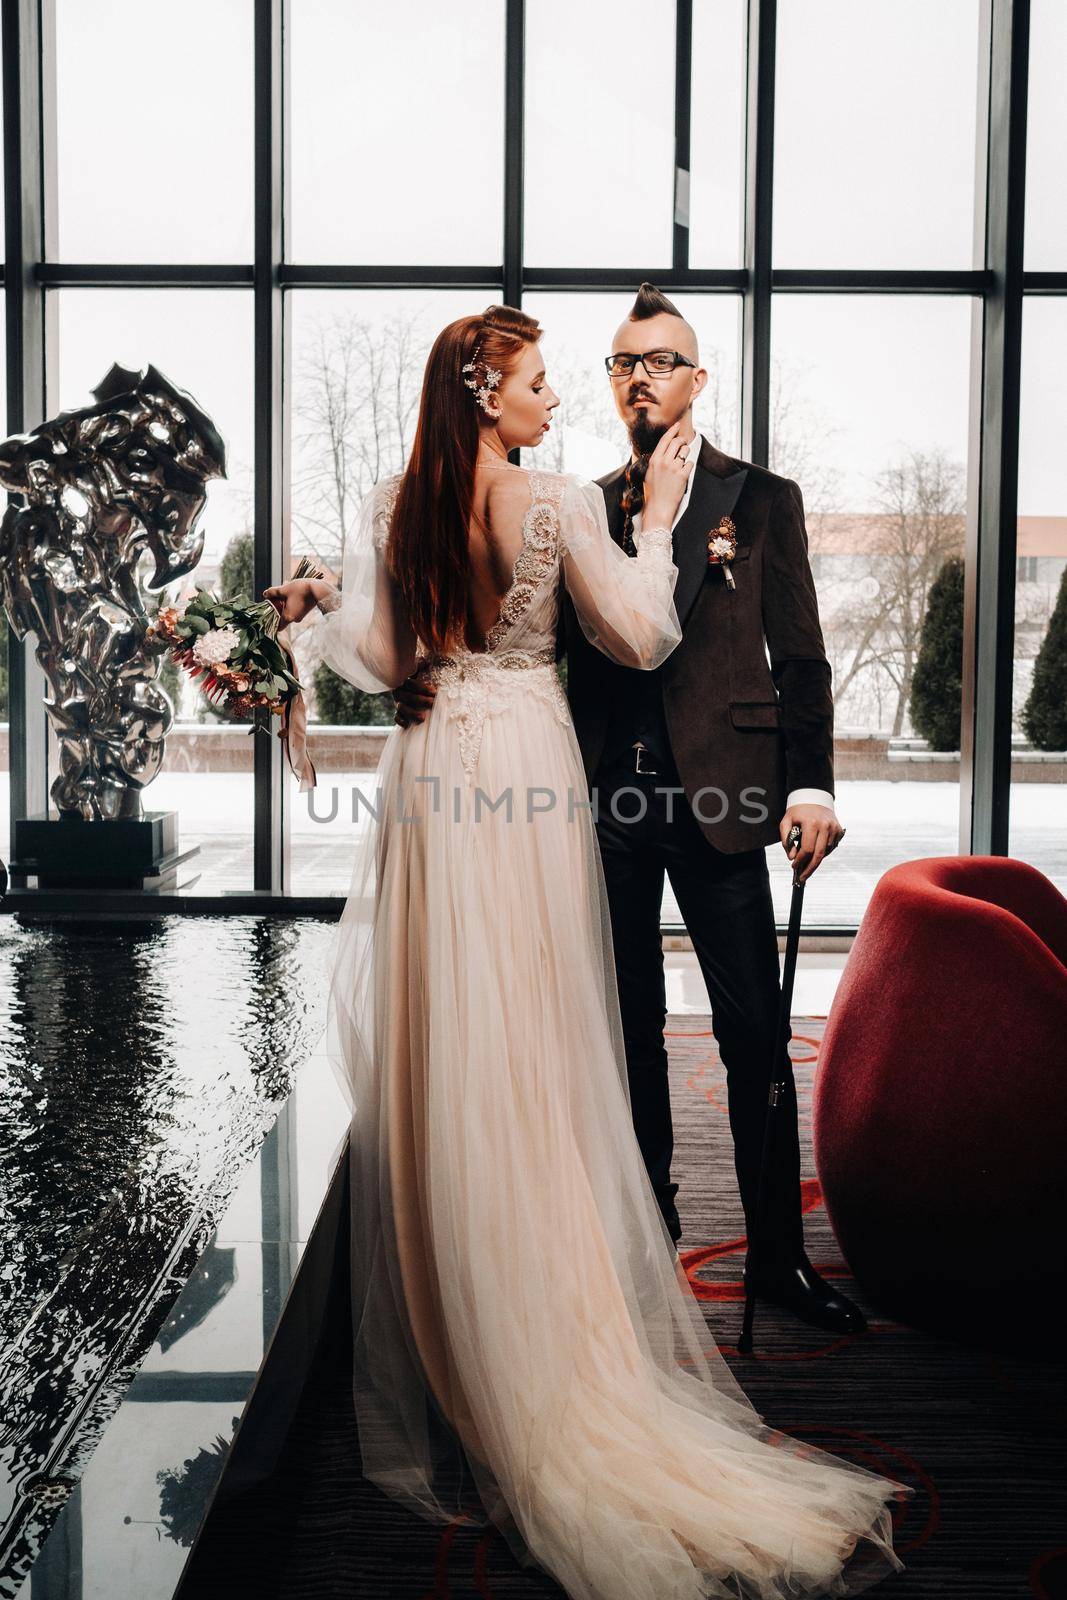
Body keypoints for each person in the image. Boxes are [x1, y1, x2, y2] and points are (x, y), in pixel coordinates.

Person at [266, 304, 912, 1600]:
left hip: (433, 775)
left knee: (454, 1054)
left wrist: (305, 622)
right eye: (541, 380)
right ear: (487, 392)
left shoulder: (403, 495)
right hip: (528, 773)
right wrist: (664, 529)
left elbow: (385, 659)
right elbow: (642, 635)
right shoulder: (554, 499)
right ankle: (544, 1349)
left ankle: (464, 1334)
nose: (559, 399)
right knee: (540, 1060)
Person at [396, 283, 860, 1336]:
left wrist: (808, 784)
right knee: (624, 1037)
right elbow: (506, 627)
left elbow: (802, 656)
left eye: (658, 359)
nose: (636, 375)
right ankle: (645, 1247)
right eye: (619, 362)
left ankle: (777, 1261)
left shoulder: (761, 497)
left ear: (698, 379)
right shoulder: (572, 497)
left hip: (724, 799)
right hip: (596, 803)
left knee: (752, 1035)